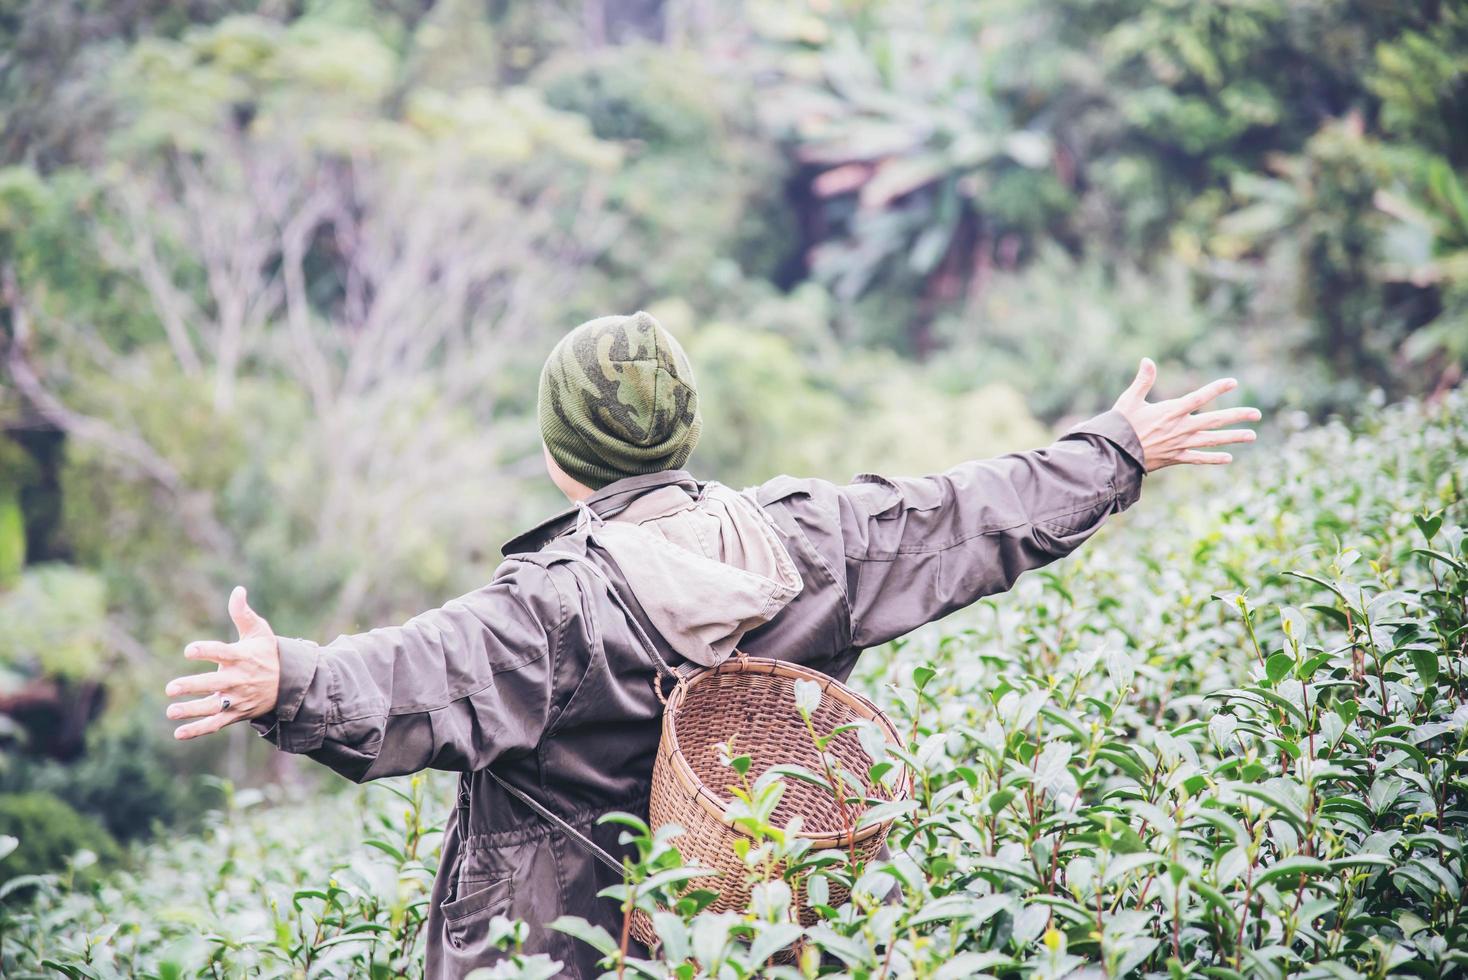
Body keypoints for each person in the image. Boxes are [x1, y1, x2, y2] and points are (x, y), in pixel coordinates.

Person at [164, 311, 1259, 978]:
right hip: (755, 930)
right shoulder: (804, 539)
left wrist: (287, 678)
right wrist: (1114, 450)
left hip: (553, 952)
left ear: (561, 454)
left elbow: (414, 673)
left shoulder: (549, 608)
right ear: (681, 430)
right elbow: (963, 513)